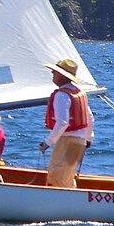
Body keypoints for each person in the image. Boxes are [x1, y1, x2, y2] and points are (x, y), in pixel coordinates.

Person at [39, 57, 94, 188]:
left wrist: (48, 142)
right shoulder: (79, 92)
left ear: (62, 76)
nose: (52, 74)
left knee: (56, 178)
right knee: (67, 178)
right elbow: (90, 118)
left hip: (67, 142)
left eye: (55, 72)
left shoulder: (62, 95)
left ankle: (63, 206)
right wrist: (88, 138)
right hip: (80, 141)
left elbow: (62, 122)